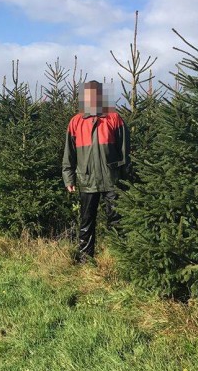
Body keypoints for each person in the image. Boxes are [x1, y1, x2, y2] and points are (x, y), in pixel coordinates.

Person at [62, 80, 130, 262]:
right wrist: (69, 178)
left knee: (116, 219)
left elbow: (125, 151)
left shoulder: (114, 118)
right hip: (86, 179)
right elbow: (69, 153)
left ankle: (119, 258)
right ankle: (85, 259)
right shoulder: (76, 122)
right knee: (86, 221)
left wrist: (125, 177)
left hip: (112, 179)